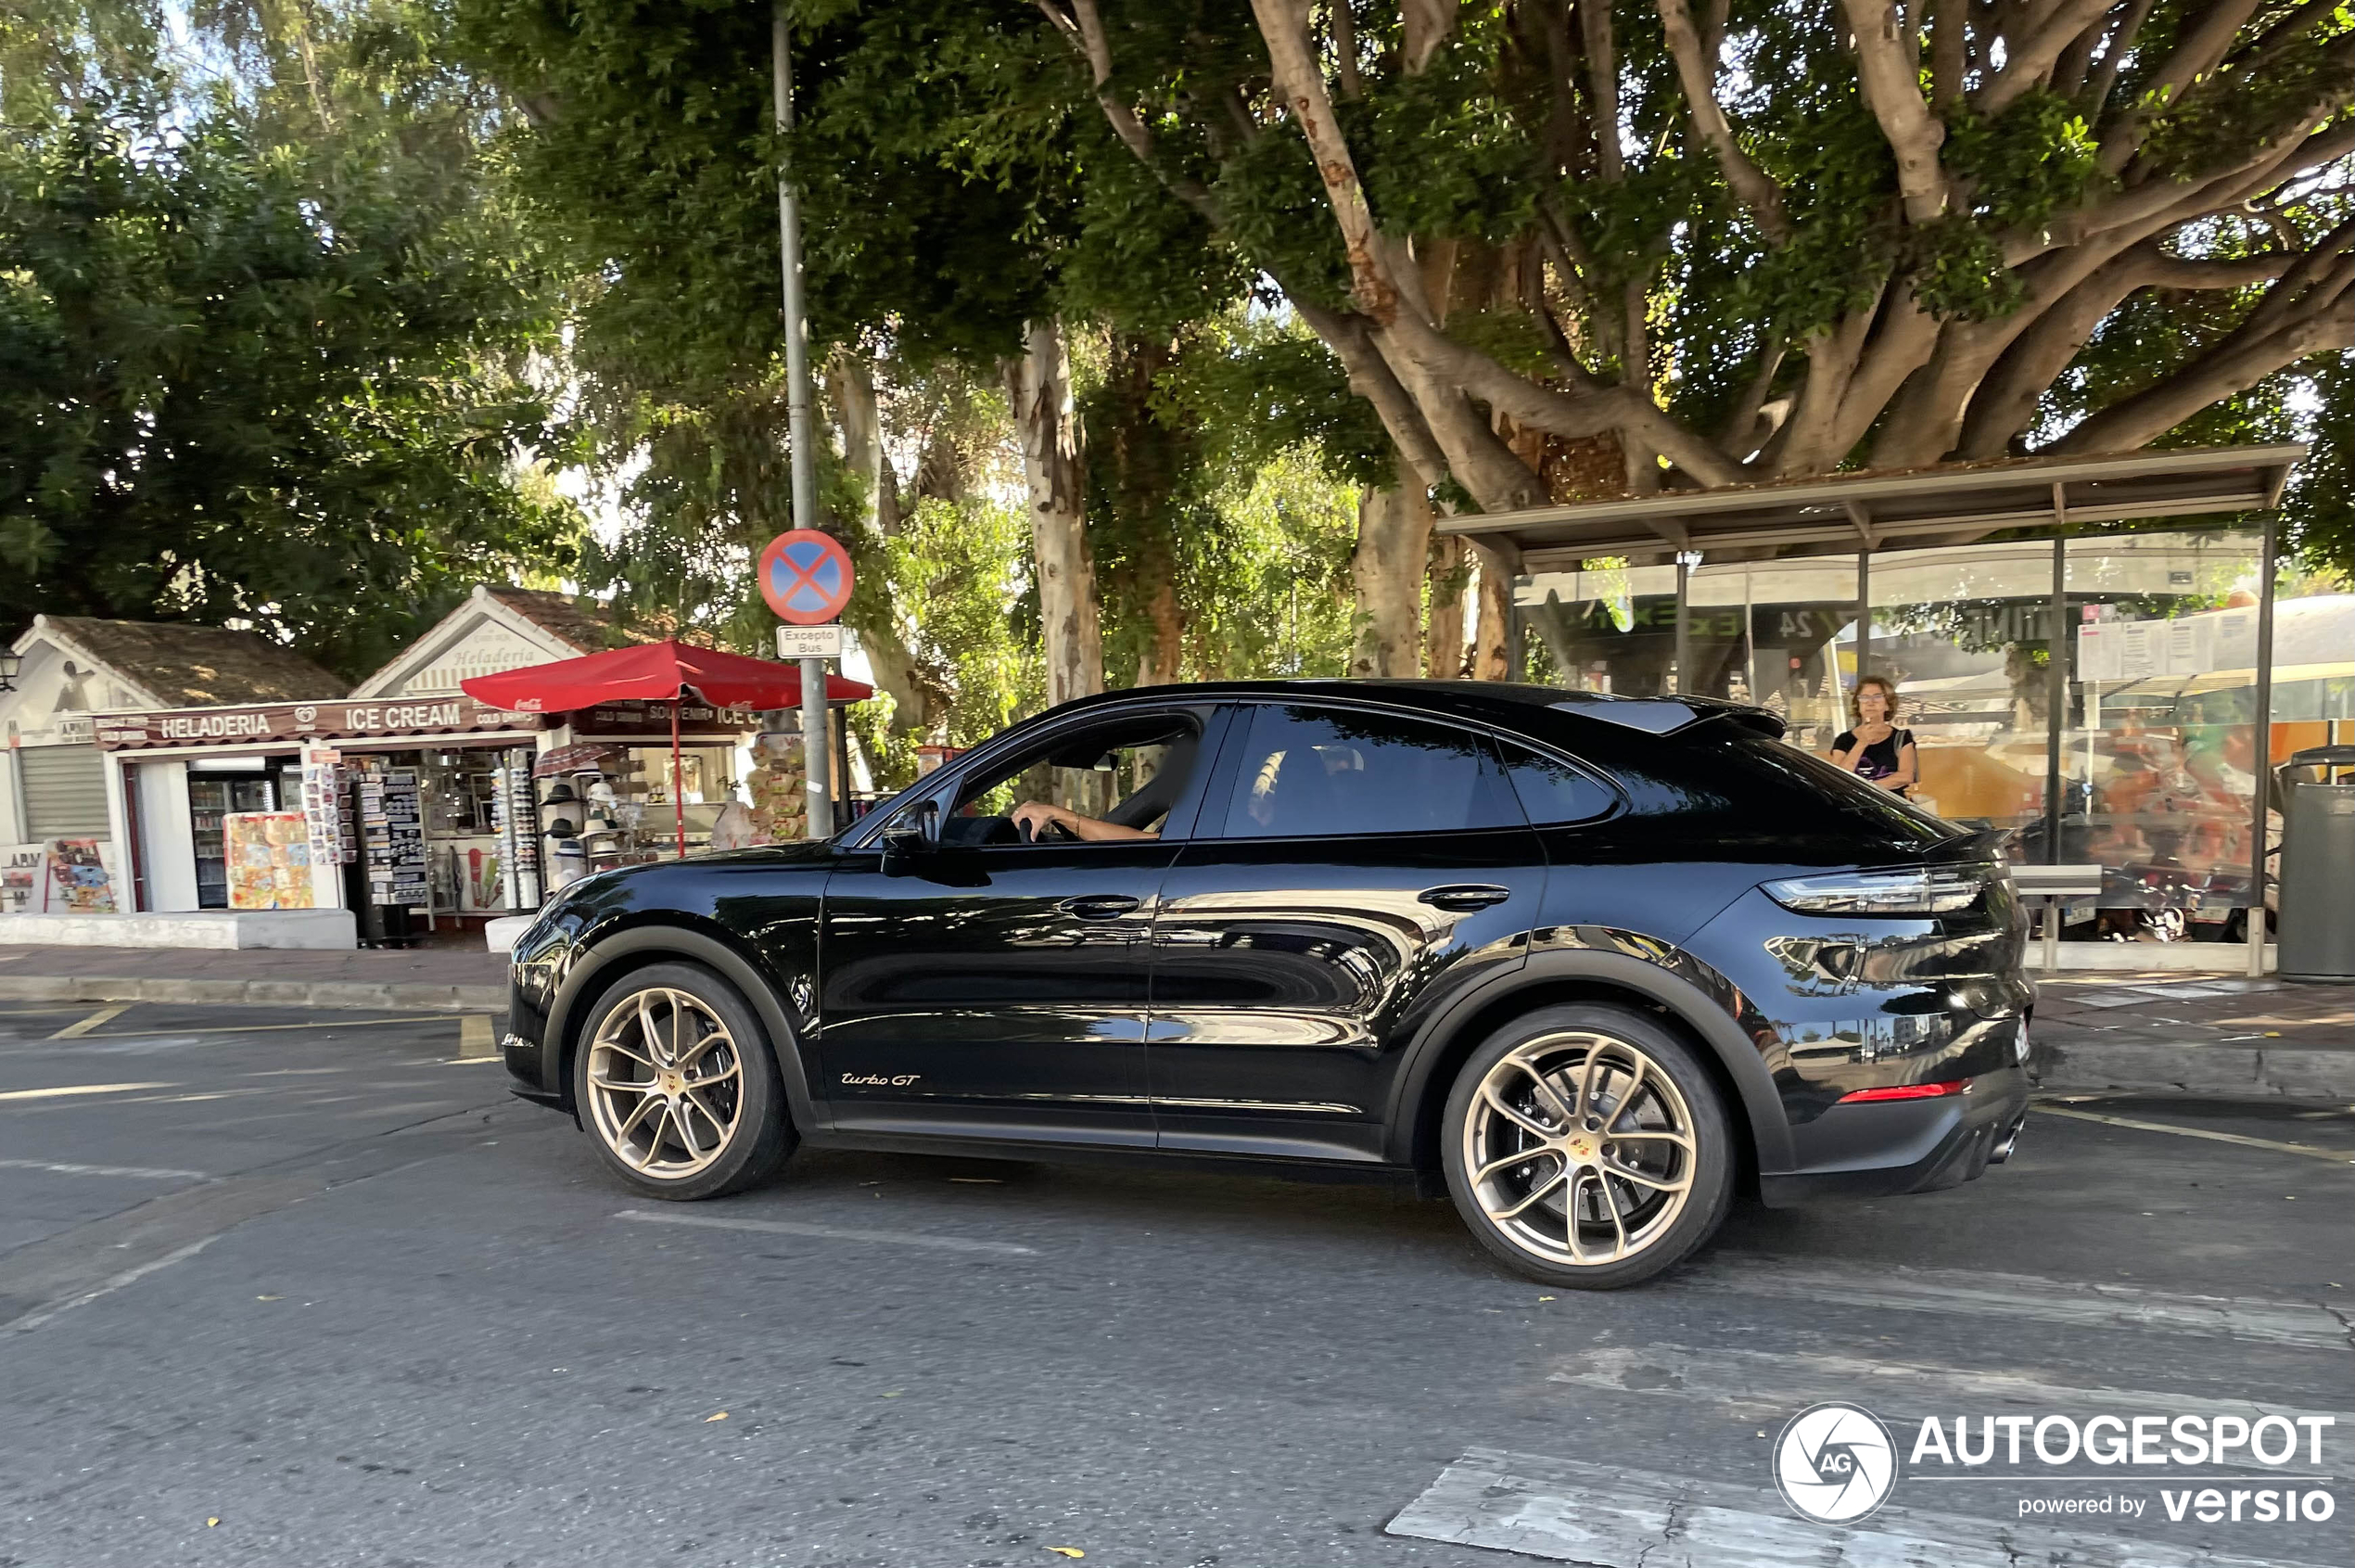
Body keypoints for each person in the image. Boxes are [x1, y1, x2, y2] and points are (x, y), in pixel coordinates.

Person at [1831, 674, 1917, 795]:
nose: (1870, 703)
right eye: (1864, 697)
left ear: (1887, 704)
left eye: (1877, 697)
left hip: (1889, 805)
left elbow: (1906, 776)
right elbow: (1837, 777)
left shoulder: (1901, 737)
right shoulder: (1843, 740)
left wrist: (1869, 789)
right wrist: (1862, 742)